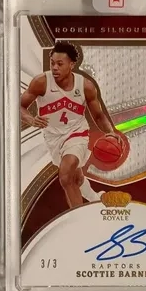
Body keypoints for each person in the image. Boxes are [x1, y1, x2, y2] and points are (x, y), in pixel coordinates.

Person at [20, 41, 123, 208]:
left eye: (60, 64)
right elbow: (20, 105)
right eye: (52, 63)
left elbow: (98, 115)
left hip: (77, 133)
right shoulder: (41, 82)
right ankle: (96, 199)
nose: (55, 67)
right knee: (76, 178)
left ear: (71, 64)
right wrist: (31, 119)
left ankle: (78, 217)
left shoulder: (85, 86)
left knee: (66, 176)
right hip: (52, 137)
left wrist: (110, 131)